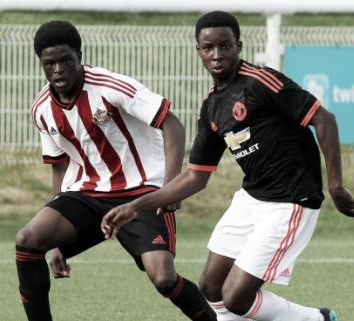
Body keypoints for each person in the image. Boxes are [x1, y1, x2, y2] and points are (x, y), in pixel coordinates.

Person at [101, 11, 354, 321]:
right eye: (208, 48)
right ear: (199, 51)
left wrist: (335, 185)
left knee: (237, 298)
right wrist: (136, 206)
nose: (217, 55)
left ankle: (317, 319)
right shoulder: (212, 106)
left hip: (291, 200)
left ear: (238, 46)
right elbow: (195, 177)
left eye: (225, 46)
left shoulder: (261, 81)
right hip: (252, 199)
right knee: (211, 287)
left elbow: (324, 119)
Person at [15, 20, 216, 321]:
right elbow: (59, 166)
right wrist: (55, 242)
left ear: (79, 56)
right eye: (49, 63)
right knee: (28, 239)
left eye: (65, 60)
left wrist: (169, 187)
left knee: (163, 278)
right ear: (41, 65)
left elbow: (172, 124)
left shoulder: (110, 86)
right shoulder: (42, 109)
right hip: (88, 194)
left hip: (143, 193)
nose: (58, 69)